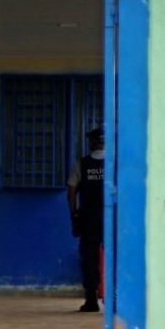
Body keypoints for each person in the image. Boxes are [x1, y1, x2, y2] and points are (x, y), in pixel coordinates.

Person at [67, 127, 105, 313]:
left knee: (89, 258)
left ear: (91, 142)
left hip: (89, 219)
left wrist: (73, 214)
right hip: (111, 218)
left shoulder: (82, 164)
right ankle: (115, 300)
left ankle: (91, 300)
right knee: (115, 257)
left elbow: (72, 190)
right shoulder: (115, 163)